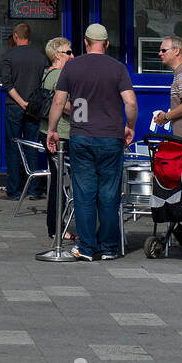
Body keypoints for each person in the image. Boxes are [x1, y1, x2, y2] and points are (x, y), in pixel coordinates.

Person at [46, 23, 138, 262]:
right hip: (111, 138)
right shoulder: (118, 68)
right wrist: (130, 127)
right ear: (107, 44)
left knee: (84, 194)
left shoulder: (72, 66)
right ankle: (109, 247)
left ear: (85, 42)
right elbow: (130, 102)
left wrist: (52, 129)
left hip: (81, 137)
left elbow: (58, 102)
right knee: (109, 195)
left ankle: (87, 248)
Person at [0, 21, 47, 201]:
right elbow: (44, 85)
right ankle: (35, 189)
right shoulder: (40, 57)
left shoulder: (9, 56)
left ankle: (14, 190)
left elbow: (7, 83)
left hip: (14, 106)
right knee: (32, 147)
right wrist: (30, 103)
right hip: (34, 109)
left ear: (15, 36)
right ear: (29, 37)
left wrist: (20, 102)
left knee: (13, 147)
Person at [39, 37, 75, 240]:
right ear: (58, 55)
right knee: (61, 183)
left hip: (48, 132)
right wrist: (84, 112)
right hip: (61, 135)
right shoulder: (60, 74)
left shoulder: (47, 74)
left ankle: (57, 226)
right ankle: (57, 227)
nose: (73, 55)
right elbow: (64, 105)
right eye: (69, 52)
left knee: (58, 181)